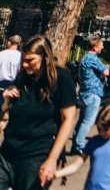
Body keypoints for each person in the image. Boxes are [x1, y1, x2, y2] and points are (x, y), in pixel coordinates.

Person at [0, 34, 78, 190]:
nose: (25, 65)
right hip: (8, 151)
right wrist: (6, 101)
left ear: (45, 57)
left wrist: (52, 159)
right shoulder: (24, 77)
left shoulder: (61, 78)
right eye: (23, 60)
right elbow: (7, 114)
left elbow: (68, 119)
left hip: (35, 156)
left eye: (30, 60)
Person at [54, 104, 110, 190]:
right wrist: (57, 174)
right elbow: (77, 165)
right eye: (99, 129)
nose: (102, 133)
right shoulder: (93, 141)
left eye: (106, 129)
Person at [73, 38, 110, 154]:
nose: (103, 47)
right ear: (95, 47)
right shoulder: (93, 59)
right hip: (93, 93)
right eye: (101, 45)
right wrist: (107, 67)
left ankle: (75, 144)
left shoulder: (84, 58)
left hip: (84, 92)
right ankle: (79, 145)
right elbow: (106, 72)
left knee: (81, 120)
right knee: (88, 121)